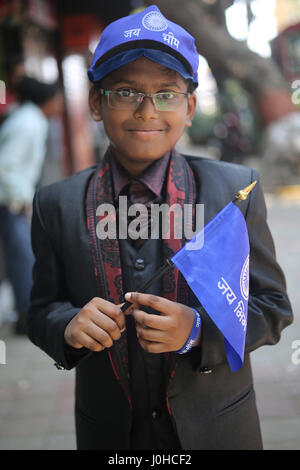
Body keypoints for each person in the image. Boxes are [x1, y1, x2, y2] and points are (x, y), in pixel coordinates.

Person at [27, 5, 293, 450]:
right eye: (126, 91)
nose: (147, 111)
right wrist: (68, 325)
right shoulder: (57, 204)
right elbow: (39, 311)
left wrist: (197, 331)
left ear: (189, 107)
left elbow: (272, 308)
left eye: (167, 93)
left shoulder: (234, 192)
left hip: (218, 429)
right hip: (110, 434)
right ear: (97, 102)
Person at [0, 77, 63, 333]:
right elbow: (6, 165)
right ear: (47, 101)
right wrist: (23, 198)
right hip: (10, 201)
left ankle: (25, 315)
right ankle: (27, 317)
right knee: (23, 258)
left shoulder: (30, 118)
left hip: (13, 198)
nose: (60, 106)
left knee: (22, 257)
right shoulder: (29, 123)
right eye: (57, 100)